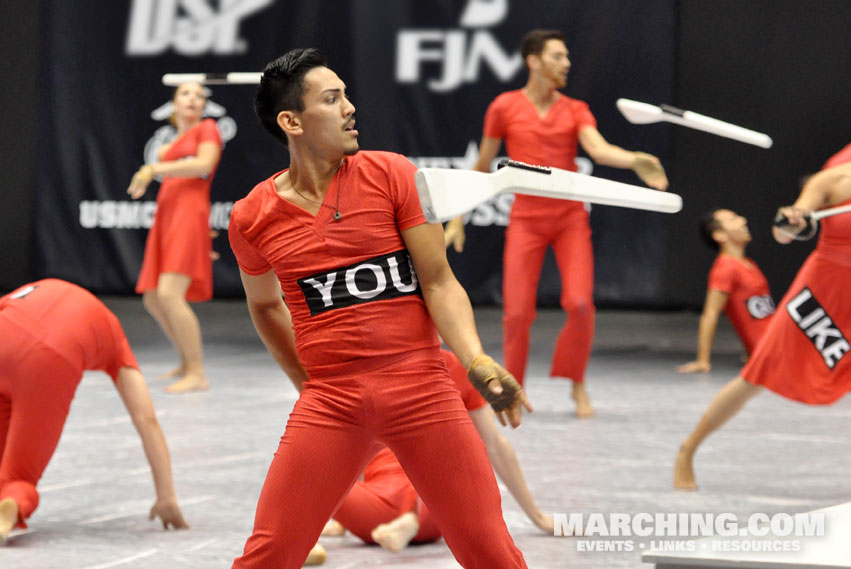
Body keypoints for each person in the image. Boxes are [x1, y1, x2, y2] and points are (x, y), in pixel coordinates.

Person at [227, 48, 530, 569]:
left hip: (422, 390)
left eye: (346, 94)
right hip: (331, 402)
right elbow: (264, 305)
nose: (349, 107)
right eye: (332, 98)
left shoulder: (392, 174)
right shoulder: (251, 217)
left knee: (490, 551)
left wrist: (476, 360)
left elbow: (438, 282)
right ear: (291, 121)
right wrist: (306, 379)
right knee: (269, 554)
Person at [444, 29, 668, 418]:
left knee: (580, 304)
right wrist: (458, 217)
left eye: (567, 57)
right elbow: (481, 165)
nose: (567, 63)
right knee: (516, 314)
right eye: (558, 56)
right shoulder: (504, 107)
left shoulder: (575, 108)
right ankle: (514, 390)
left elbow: (597, 149)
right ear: (534, 61)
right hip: (527, 221)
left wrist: (634, 159)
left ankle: (576, 383)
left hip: (569, 220)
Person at [674, 158, 851, 490]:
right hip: (823, 294)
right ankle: (688, 450)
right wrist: (792, 220)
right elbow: (783, 233)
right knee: (756, 377)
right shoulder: (830, 181)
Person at [0, 279, 188, 543]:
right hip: (48, 356)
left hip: (5, 329)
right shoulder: (114, 337)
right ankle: (11, 502)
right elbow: (146, 419)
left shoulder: (47, 284)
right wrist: (166, 497)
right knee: (18, 477)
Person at [321, 349, 553, 554]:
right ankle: (410, 518)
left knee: (451, 467)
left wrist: (537, 517)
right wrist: (537, 518)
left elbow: (349, 453)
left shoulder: (452, 368)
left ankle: (411, 517)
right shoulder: (374, 366)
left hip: (403, 508)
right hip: (412, 511)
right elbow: (495, 445)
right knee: (449, 468)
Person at [127, 81, 223, 393]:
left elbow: (204, 165)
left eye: (199, 96)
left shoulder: (207, 129)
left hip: (188, 216)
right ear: (173, 104)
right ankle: (185, 360)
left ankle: (198, 371)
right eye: (186, 94)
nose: (193, 99)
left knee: (170, 294)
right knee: (153, 297)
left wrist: (153, 166)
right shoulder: (171, 145)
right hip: (167, 217)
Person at [677, 208, 775, 374]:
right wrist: (703, 360)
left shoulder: (748, 264)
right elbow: (710, 315)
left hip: (778, 342)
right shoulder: (726, 268)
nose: (743, 220)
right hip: (773, 354)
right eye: (734, 219)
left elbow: (756, 314)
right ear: (719, 235)